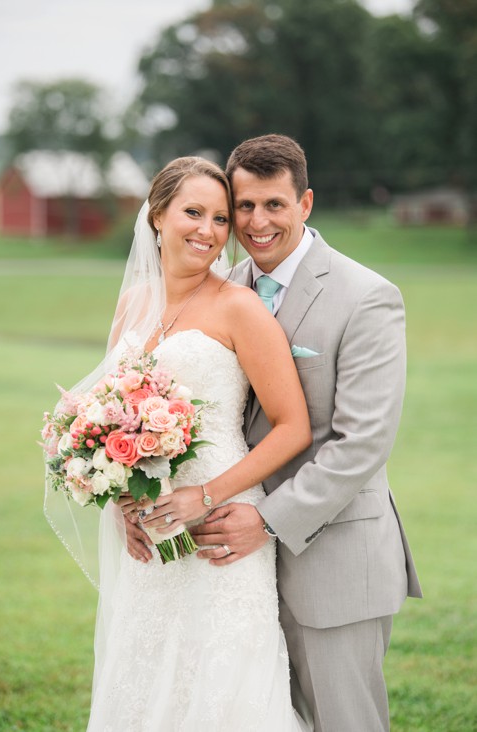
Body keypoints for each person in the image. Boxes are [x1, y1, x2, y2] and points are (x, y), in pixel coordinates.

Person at [48, 157, 313, 729]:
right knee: (148, 667)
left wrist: (207, 496)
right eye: (193, 212)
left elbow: (294, 425)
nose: (209, 231)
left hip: (223, 522)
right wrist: (121, 496)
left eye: (221, 218)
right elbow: (116, 414)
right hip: (153, 525)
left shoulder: (240, 307)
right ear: (156, 216)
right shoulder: (132, 304)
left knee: (219, 677)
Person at [185, 134, 421, 732]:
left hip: (332, 557)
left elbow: (362, 441)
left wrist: (265, 520)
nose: (257, 222)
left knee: (345, 722)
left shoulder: (366, 296)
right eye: (244, 207)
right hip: (235, 569)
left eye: (274, 205)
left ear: (306, 203)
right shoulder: (220, 288)